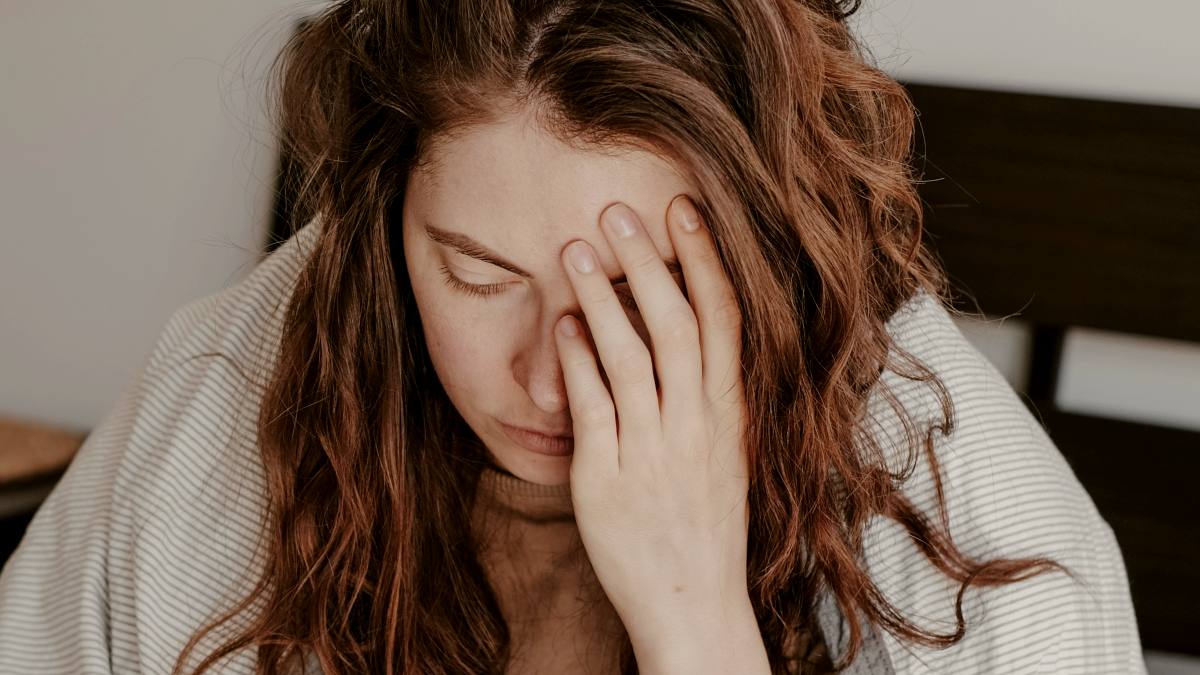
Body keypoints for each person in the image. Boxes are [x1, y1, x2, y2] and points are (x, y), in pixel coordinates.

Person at [0, 1, 1145, 673]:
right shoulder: (240, 373)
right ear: (381, 221)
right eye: (475, 272)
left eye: (638, 293)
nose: (550, 377)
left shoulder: (984, 546)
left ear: (765, 242)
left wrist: (693, 609)